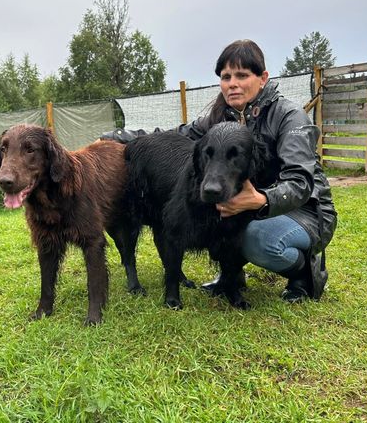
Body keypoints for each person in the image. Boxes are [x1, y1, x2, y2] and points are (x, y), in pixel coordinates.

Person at [102, 39, 337, 302]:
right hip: (253, 206)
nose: (232, 83)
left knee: (257, 239)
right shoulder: (220, 118)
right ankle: (231, 277)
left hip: (305, 211)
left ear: (263, 78)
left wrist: (261, 200)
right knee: (216, 218)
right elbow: (172, 135)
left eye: (242, 75)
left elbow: (301, 183)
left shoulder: (289, 116)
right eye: (226, 77)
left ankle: (304, 273)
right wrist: (116, 136)